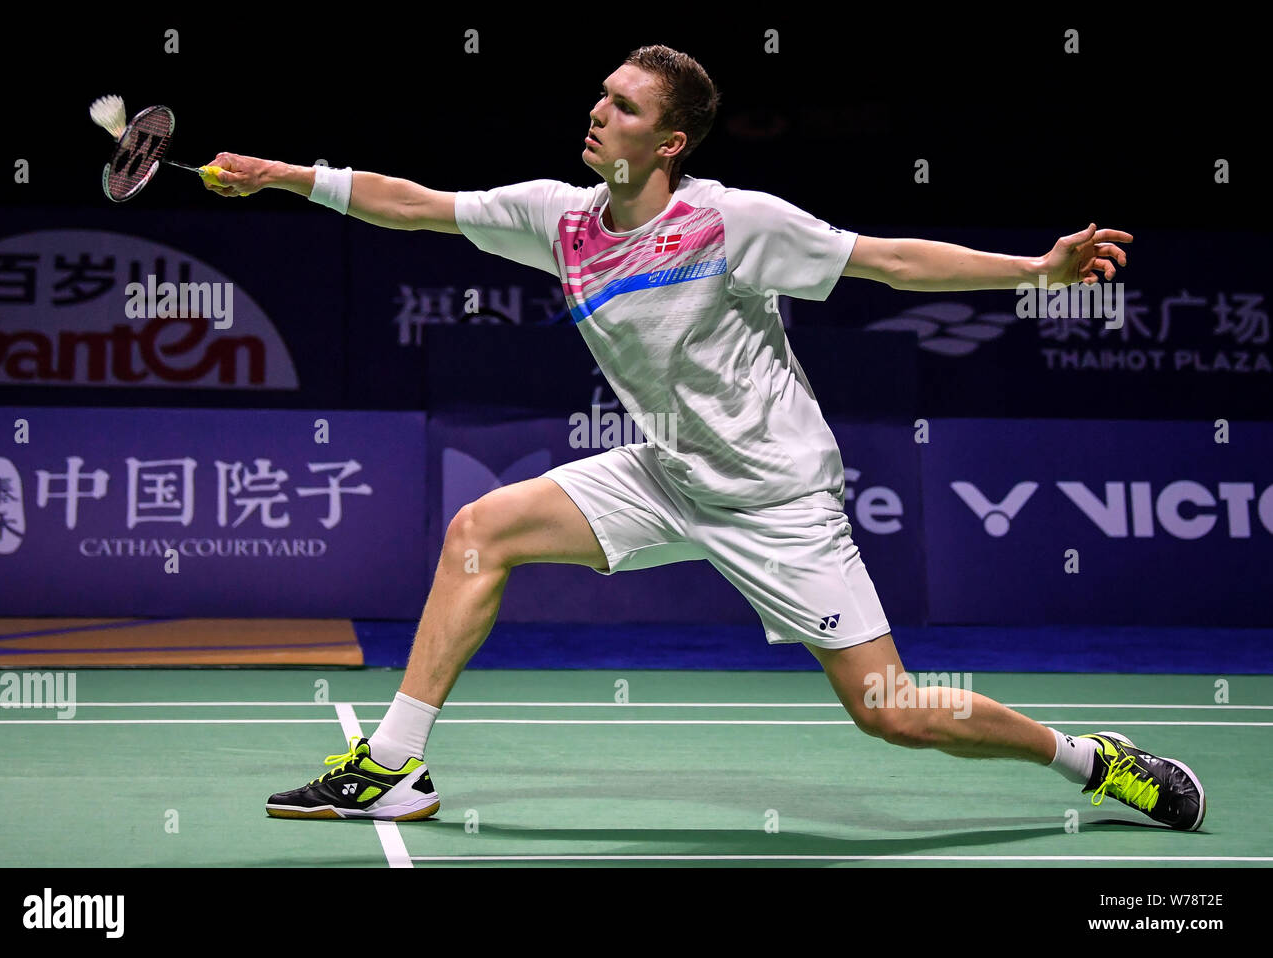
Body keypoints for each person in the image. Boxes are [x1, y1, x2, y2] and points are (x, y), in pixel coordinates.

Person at [205, 44, 1205, 832]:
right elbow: (416, 207)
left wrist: (1035, 269)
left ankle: (1090, 759)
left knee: (890, 710)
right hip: (671, 470)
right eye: (602, 96)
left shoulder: (728, 223)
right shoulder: (559, 219)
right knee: (480, 528)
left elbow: (890, 262)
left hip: (778, 500)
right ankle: (393, 764)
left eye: (625, 107)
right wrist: (284, 175)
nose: (600, 112)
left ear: (671, 141)